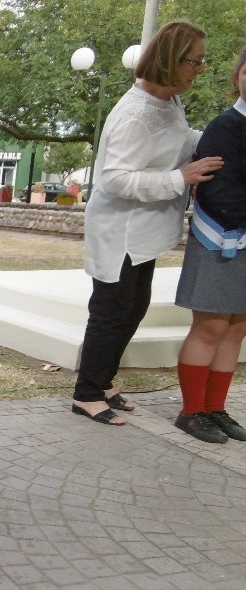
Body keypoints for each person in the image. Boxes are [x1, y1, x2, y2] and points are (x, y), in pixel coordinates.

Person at [71, 20, 223, 426]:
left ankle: (102, 382)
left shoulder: (168, 101)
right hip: (120, 231)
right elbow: (114, 178)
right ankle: (86, 393)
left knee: (132, 308)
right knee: (110, 311)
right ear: (171, 60)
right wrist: (180, 179)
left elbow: (177, 139)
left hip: (141, 232)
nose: (200, 69)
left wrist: (216, 138)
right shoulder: (136, 114)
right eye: (195, 61)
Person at [173, 45, 246, 443]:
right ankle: (190, 411)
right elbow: (219, 193)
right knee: (211, 327)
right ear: (236, 77)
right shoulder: (225, 126)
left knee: (237, 330)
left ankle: (215, 407)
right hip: (222, 239)